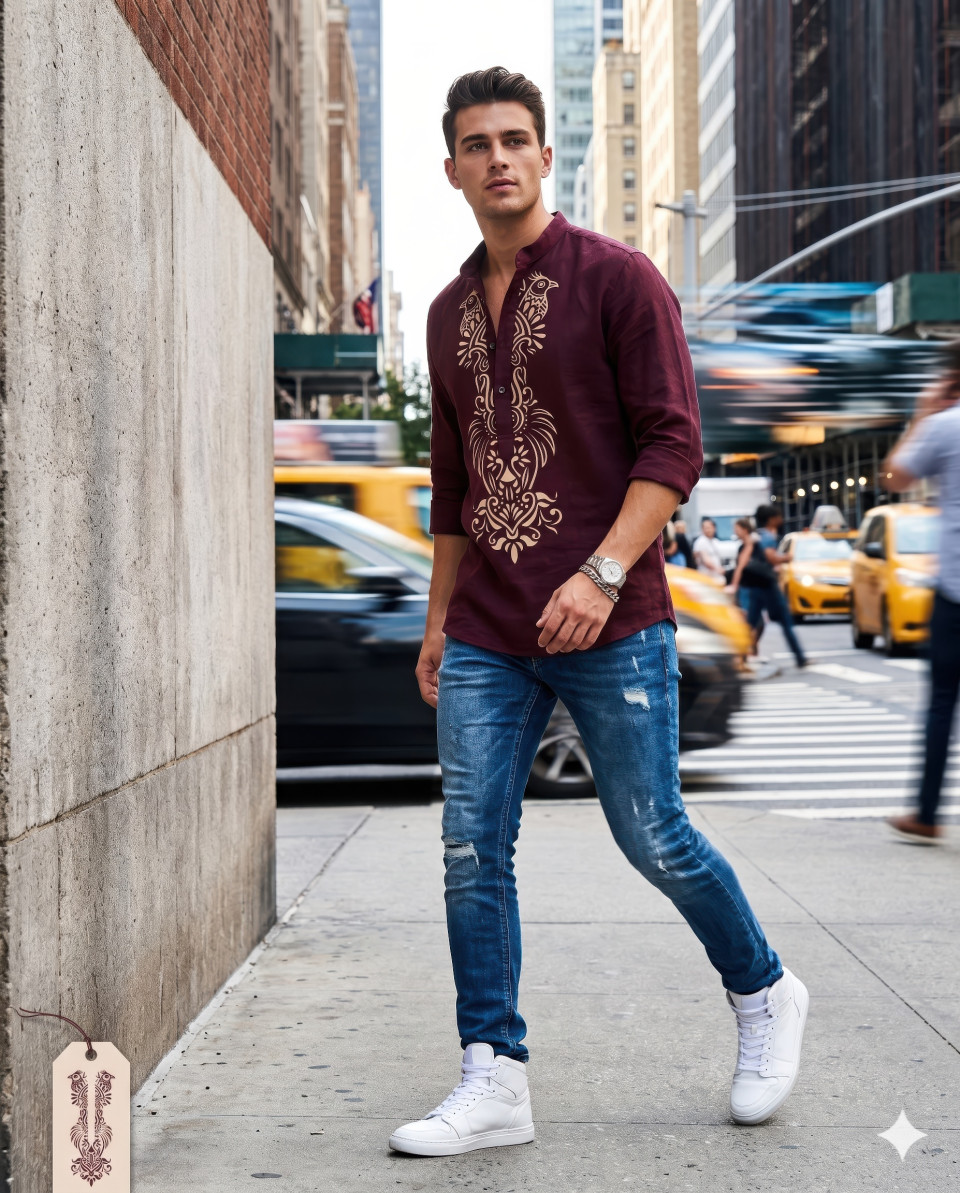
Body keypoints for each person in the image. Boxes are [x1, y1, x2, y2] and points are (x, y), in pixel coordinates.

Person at [388, 66, 808, 1159]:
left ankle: (765, 990)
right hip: (486, 626)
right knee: (473, 849)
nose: (498, 158)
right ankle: (494, 1074)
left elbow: (675, 444)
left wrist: (605, 572)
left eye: (515, 138)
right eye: (477, 144)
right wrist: (438, 620)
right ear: (453, 169)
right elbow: (454, 482)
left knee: (652, 832)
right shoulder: (440, 315)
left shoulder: (622, 281)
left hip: (613, 622)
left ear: (543, 154)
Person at [882, 354, 960, 844]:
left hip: (955, 592)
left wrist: (925, 413)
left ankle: (927, 813)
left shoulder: (945, 426)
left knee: (942, 705)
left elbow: (895, 478)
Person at [742, 505, 807, 668]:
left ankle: (741, 655)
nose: (781, 519)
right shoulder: (768, 536)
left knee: (750, 623)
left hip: (756, 584)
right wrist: (787, 557)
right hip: (768, 585)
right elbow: (771, 557)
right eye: (779, 515)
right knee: (785, 621)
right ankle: (800, 657)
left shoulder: (757, 535)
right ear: (771, 519)